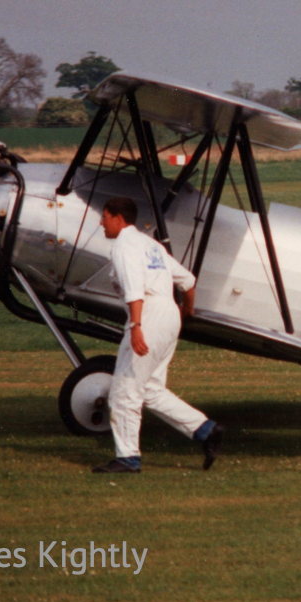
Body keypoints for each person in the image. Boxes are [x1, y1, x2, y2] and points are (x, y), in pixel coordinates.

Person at [92, 196, 225, 474]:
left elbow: (134, 290)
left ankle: (128, 458)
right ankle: (204, 429)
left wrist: (137, 328)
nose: (101, 222)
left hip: (149, 314)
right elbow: (188, 281)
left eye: (104, 216)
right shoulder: (150, 245)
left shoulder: (124, 247)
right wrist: (185, 313)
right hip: (168, 313)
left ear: (118, 217)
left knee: (125, 391)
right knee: (150, 388)